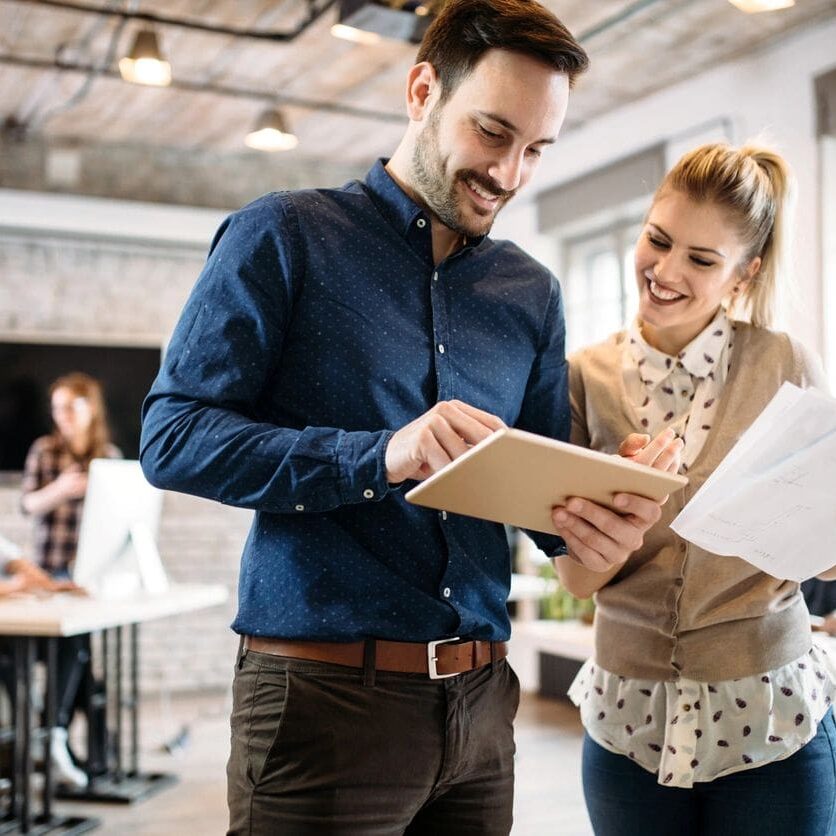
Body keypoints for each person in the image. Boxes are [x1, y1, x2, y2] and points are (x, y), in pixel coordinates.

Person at [140, 1, 679, 832]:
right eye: (493, 132)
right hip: (323, 705)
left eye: (536, 150)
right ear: (423, 89)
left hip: (482, 712)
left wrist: (597, 514)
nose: (509, 173)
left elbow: (539, 503)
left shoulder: (530, 293)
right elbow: (172, 437)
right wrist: (381, 455)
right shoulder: (284, 236)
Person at [560, 141, 836, 835]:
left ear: (744, 274)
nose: (665, 271)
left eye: (702, 259)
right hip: (630, 721)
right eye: (658, 241)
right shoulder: (581, 376)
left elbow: (827, 555)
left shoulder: (784, 363)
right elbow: (577, 579)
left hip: (769, 717)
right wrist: (619, 508)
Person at [20, 371, 120, 789]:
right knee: (76, 657)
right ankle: (71, 745)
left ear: (89, 408)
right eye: (56, 408)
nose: (61, 416)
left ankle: (71, 748)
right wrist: (61, 489)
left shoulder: (109, 457)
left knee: (79, 659)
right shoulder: (45, 452)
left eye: (70, 407)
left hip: (89, 577)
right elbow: (28, 504)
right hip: (49, 574)